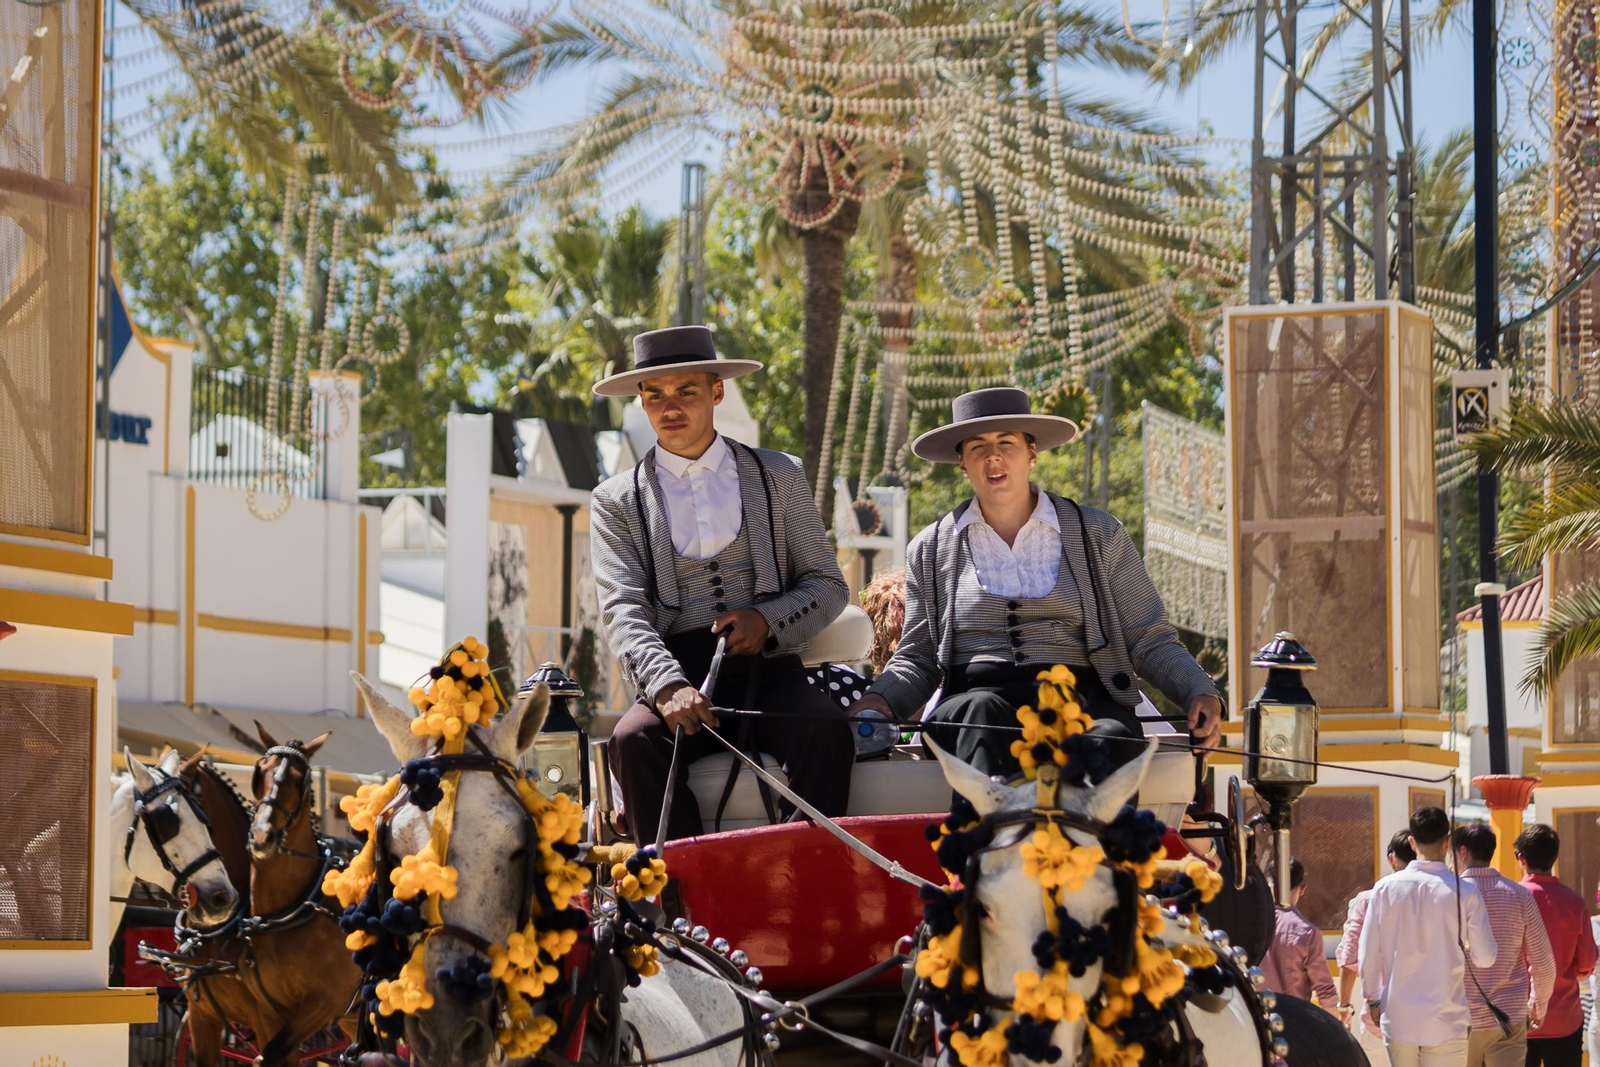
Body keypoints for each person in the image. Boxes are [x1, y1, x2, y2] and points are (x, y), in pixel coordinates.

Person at [848, 388, 1223, 781]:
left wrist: (1199, 689)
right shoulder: (930, 547)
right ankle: (989, 836)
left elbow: (1148, 639)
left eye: (1006, 443)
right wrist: (879, 698)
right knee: (977, 715)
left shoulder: (1100, 534)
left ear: (1031, 452)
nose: (993, 456)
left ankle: (1081, 839)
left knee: (1110, 736)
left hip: (1083, 701)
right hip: (977, 701)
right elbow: (918, 659)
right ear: (962, 462)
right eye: (977, 446)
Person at [591, 326, 855, 841]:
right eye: (655, 395)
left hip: (772, 671)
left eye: (686, 390)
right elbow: (622, 609)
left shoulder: (778, 475)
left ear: (716, 392)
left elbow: (827, 584)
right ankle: (681, 902)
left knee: (826, 731)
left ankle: (802, 882)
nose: (670, 407)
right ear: (641, 403)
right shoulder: (615, 500)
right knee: (631, 742)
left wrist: (768, 620)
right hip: (677, 670)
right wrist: (667, 686)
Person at [1360, 807, 1498, 1067]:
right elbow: (1486, 958)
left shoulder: (1384, 889)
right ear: (1448, 842)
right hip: (1446, 1019)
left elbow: (1368, 952)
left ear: (1412, 842)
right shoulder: (1466, 893)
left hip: (1399, 1018)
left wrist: (1373, 998)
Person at [1451, 824, 1554, 1067]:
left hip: (1459, 1019)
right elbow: (1543, 961)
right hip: (1508, 1018)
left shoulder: (1449, 896)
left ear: (1463, 852)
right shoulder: (1519, 895)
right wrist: (1539, 1004)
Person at [1514, 824, 1598, 1067]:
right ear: (1554, 857)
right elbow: (1587, 962)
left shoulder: (1512, 897)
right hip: (1565, 1017)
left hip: (1519, 1020)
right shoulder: (1574, 902)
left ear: (1522, 858)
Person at [1337, 826, 1417, 1067]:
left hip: (1379, 1018)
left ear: (1392, 858)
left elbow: (1350, 957)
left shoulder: (1367, 899)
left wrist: (1344, 1006)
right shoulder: (1436, 895)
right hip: (1427, 1021)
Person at [1260, 859, 1339, 1014]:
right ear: (1302, 889)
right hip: (1293, 1020)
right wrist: (1339, 1021)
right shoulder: (1307, 932)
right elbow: (1324, 990)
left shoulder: (1246, 923)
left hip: (1252, 1020)